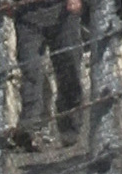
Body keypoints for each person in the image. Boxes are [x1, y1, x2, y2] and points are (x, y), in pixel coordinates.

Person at [11, 0, 81, 149]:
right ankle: (30, 129)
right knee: (31, 71)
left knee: (69, 69)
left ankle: (70, 127)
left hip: (62, 11)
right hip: (27, 14)